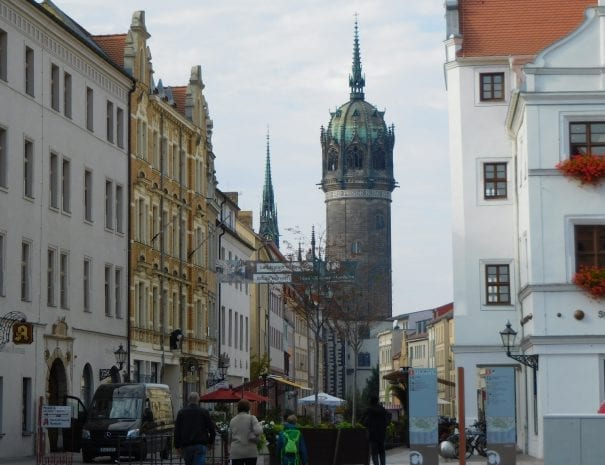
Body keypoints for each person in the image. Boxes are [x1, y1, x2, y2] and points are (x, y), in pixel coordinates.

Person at [174, 391, 216, 465]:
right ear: (198, 399)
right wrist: (210, 442)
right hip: (200, 444)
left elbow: (177, 430)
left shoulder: (181, 412)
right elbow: (211, 428)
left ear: (188, 400)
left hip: (186, 445)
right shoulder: (204, 412)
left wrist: (177, 445)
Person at [228, 398, 263, 465]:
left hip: (236, 452)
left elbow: (229, 437)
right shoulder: (252, 418)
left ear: (238, 408)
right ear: (248, 408)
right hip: (250, 451)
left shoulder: (232, 420)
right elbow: (259, 431)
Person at [361, 395, 389, 465]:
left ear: (370, 401)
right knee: (382, 451)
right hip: (382, 434)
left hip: (372, 434)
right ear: (377, 401)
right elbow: (388, 419)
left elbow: (362, 421)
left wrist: (368, 424)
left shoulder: (369, 410)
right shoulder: (383, 409)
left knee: (374, 453)